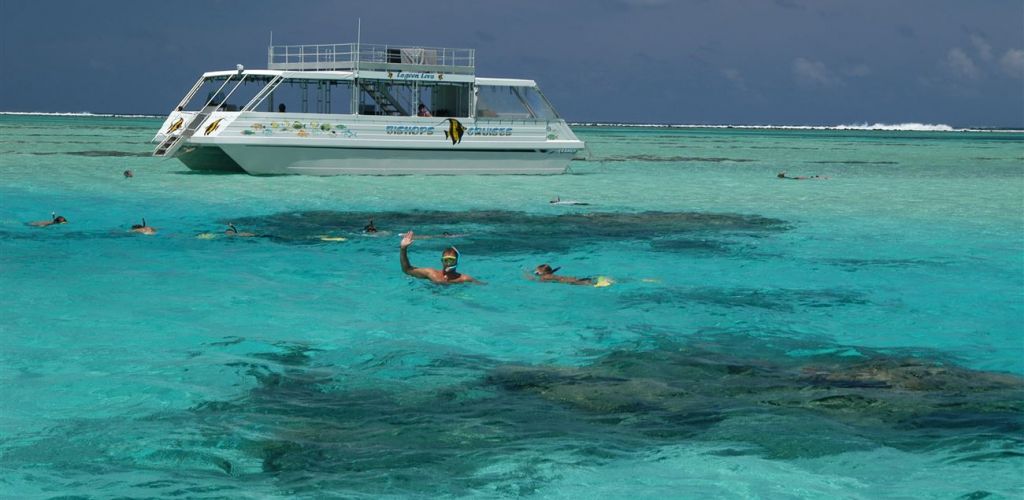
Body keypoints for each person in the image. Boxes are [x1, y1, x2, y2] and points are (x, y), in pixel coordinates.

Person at [400, 231, 480, 285]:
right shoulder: (431, 274)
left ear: (457, 262)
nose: (448, 263)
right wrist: (403, 248)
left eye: (451, 260)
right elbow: (406, 270)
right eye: (446, 260)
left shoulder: (463, 279)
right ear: (442, 261)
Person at [530, 264, 595, 286]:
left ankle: (592, 283)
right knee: (578, 280)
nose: (536, 272)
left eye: (537, 271)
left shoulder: (544, 277)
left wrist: (530, 277)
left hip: (566, 281)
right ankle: (591, 280)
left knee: (579, 283)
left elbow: (538, 281)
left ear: (542, 272)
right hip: (568, 278)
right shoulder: (550, 274)